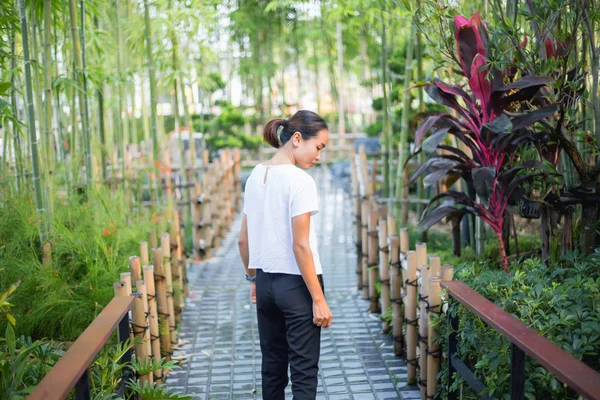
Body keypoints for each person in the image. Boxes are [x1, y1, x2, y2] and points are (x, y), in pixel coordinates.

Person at [237, 110, 333, 400]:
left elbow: (243, 239)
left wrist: (253, 280)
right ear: (296, 138)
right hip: (298, 287)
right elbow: (300, 245)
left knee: (273, 367)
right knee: (304, 371)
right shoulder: (299, 181)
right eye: (318, 147)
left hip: (265, 284)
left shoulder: (255, 175)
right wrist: (318, 299)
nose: (318, 156)